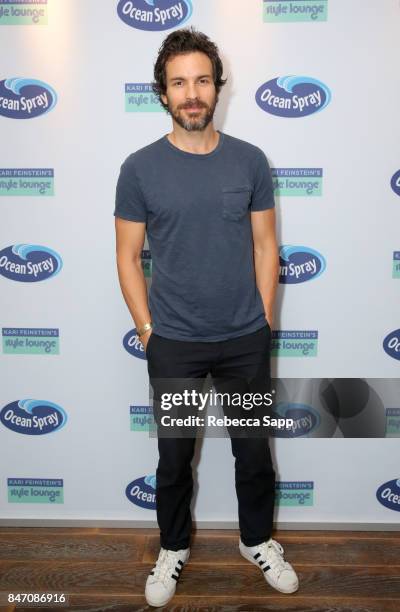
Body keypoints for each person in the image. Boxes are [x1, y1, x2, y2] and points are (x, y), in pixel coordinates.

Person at [114, 26, 299, 608]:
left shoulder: (250, 160)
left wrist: (262, 318)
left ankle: (257, 540)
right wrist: (149, 332)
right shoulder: (139, 168)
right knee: (174, 457)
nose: (191, 93)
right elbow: (126, 256)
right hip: (175, 343)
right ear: (162, 93)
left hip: (244, 339)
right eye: (178, 82)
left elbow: (267, 246)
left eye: (201, 80)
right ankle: (173, 547)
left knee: (253, 453)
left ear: (217, 87)